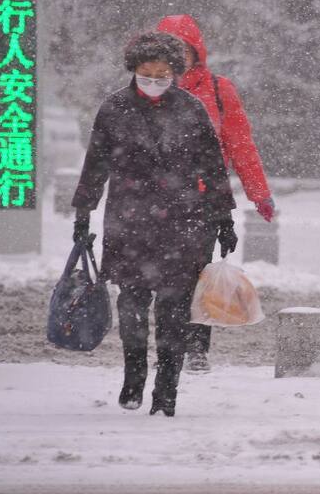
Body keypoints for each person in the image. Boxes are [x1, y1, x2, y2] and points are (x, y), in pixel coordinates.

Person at [71, 32, 237, 417]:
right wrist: (83, 213)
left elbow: (212, 168)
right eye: (147, 73)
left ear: (175, 74)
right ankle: (134, 374)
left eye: (163, 74)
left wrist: (223, 217)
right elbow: (95, 165)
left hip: (183, 222)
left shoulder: (191, 109)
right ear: (134, 71)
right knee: (131, 304)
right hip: (129, 222)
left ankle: (167, 391)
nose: (155, 80)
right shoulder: (113, 109)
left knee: (175, 311)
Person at [157, 14, 274, 372]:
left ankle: (195, 347)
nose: (176, 57)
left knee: (198, 276)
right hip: (157, 202)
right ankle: (166, 344)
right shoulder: (147, 90)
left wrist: (260, 194)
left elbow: (240, 145)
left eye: (183, 50)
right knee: (162, 277)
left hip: (204, 201)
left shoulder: (220, 91)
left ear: (196, 53)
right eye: (168, 49)